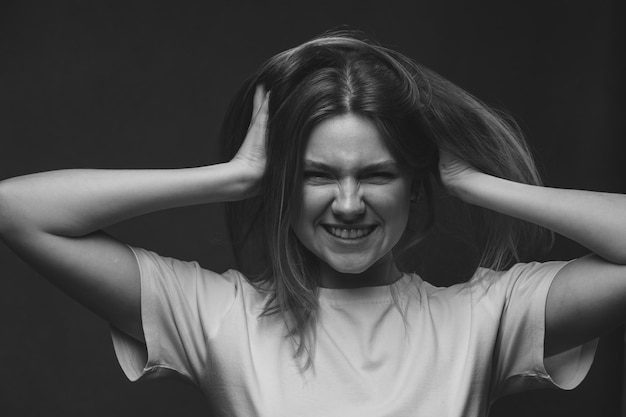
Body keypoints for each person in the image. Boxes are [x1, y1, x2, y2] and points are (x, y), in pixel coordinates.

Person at [0, 30, 624, 416]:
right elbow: (16, 210)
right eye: (317, 174)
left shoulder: (488, 318)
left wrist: (471, 180)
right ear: (282, 185)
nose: (348, 204)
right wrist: (235, 176)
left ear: (414, 185)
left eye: (377, 175)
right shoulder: (217, 316)